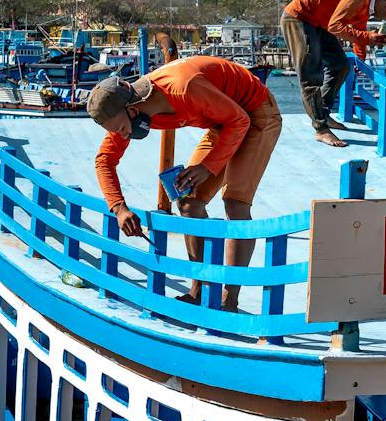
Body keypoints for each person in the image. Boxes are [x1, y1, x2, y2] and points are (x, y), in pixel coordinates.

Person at [86, 55, 281, 312]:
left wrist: (207, 167)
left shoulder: (184, 88)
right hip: (224, 121)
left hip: (256, 115)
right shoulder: (125, 114)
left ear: (133, 109)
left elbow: (241, 121)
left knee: (235, 204)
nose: (122, 135)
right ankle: (198, 291)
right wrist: (119, 208)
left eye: (122, 128)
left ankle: (228, 300)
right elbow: (105, 161)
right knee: (189, 203)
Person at [280, 0, 386, 146]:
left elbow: (359, 34)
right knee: (310, 77)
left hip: (318, 23)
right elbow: (336, 26)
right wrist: (369, 38)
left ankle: (324, 113)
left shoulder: (366, 5)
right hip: (298, 18)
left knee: (341, 65)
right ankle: (321, 129)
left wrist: (360, 60)